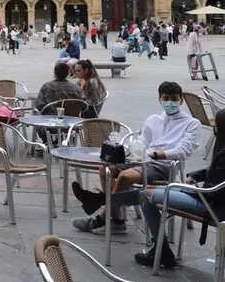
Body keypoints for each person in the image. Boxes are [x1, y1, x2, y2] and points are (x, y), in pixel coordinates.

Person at [72, 81, 201, 234]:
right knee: (105, 169)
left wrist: (159, 154)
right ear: (160, 99)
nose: (170, 102)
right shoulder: (153, 120)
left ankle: (100, 215)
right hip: (143, 161)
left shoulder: (191, 124)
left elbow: (184, 150)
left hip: (166, 165)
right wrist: (131, 152)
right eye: (166, 98)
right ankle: (117, 219)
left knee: (125, 176)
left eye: (174, 98)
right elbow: (141, 142)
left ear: (181, 100)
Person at [135, 108, 225, 269]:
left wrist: (195, 190)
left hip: (211, 206)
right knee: (150, 190)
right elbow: (214, 173)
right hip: (211, 200)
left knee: (146, 194)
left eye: (217, 126)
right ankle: (161, 250)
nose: (215, 129)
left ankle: (162, 251)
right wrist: (195, 176)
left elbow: (216, 191)